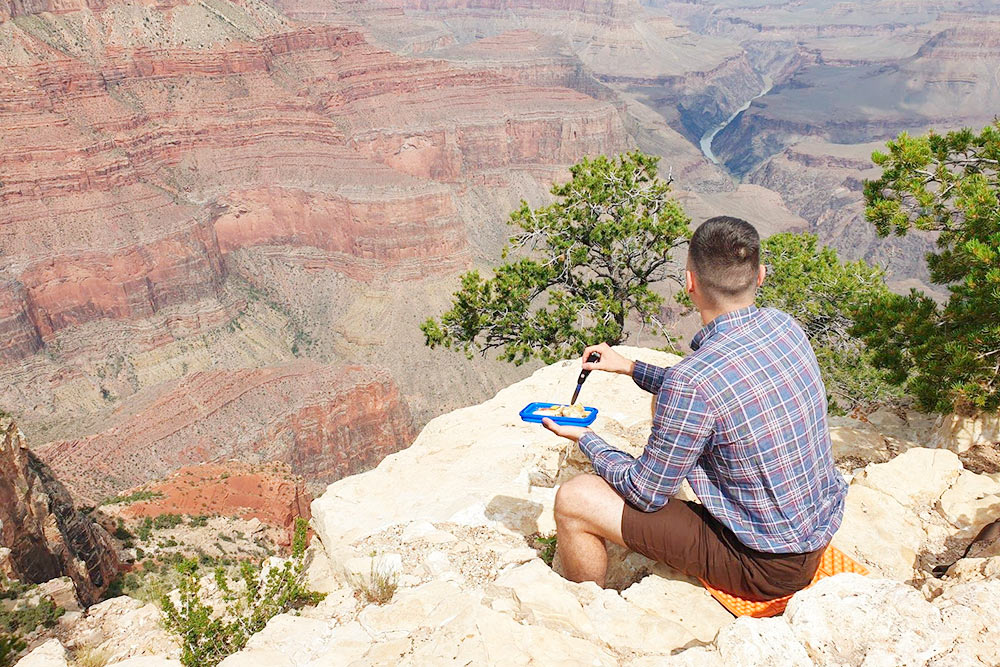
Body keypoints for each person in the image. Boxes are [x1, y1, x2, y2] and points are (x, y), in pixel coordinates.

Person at [542, 216, 848, 600]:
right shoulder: (784, 326)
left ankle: (582, 609)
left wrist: (586, 438)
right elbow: (719, 386)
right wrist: (630, 367)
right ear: (761, 275)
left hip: (764, 567)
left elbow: (644, 492)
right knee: (667, 403)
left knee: (574, 500)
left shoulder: (692, 383)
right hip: (813, 532)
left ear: (689, 284)